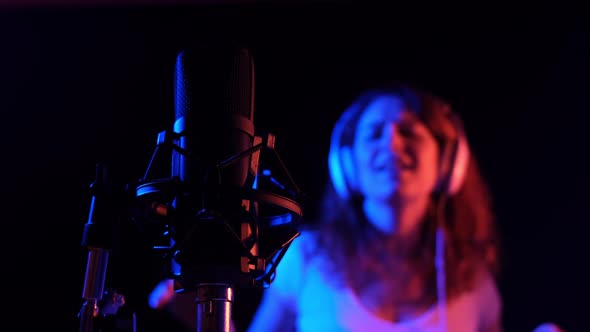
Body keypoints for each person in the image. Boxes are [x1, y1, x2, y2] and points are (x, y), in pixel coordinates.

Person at [246, 82, 503, 332]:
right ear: (348, 164)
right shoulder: (307, 257)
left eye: (409, 131)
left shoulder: (473, 280)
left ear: (447, 164)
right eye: (374, 134)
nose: (391, 144)